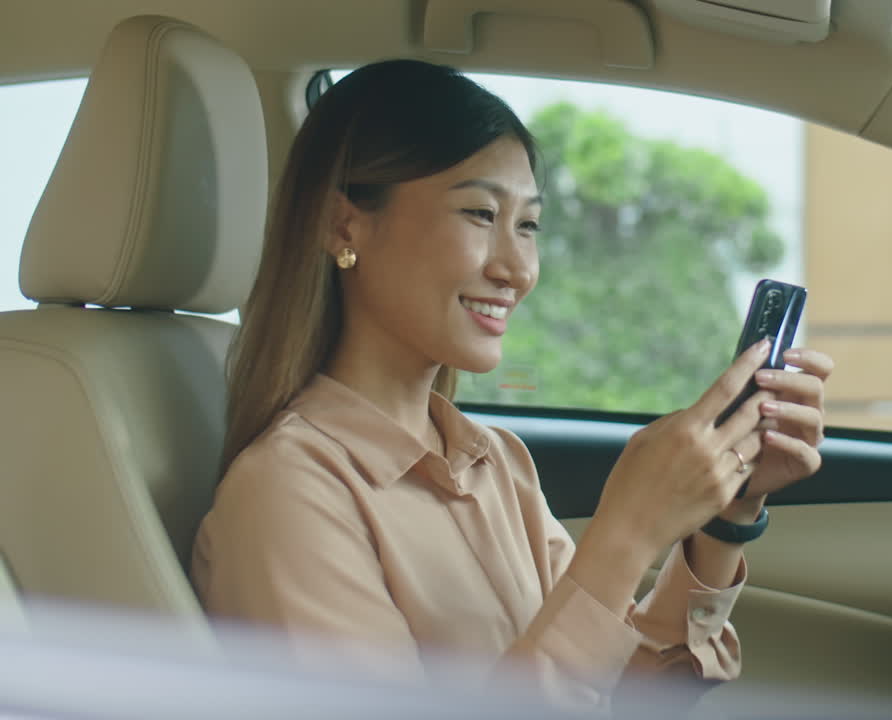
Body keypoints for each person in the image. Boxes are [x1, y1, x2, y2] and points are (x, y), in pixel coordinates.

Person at [191, 59, 833, 710]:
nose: (518, 270)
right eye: (479, 214)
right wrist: (627, 534)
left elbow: (624, 695)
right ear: (343, 225)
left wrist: (728, 516)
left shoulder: (497, 466)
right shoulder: (289, 491)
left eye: (528, 225)